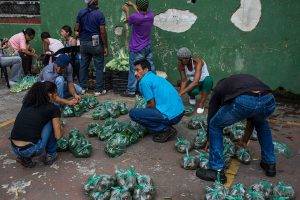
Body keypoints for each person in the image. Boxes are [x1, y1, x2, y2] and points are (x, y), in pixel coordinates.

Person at [196, 74, 276, 184]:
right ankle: (269, 164)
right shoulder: (240, 82)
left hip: (246, 100)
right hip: (268, 99)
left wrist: (209, 137)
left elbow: (212, 111)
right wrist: (244, 140)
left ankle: (216, 170)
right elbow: (252, 117)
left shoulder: (219, 88)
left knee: (215, 125)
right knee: (261, 124)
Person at [129, 59, 184, 143]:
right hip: (180, 112)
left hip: (171, 116)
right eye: (135, 70)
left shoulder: (144, 81)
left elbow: (151, 105)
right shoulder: (156, 77)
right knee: (147, 112)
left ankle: (165, 129)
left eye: (138, 70)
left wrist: (144, 112)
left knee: (133, 113)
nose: (135, 73)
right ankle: (165, 125)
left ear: (146, 69)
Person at [10, 81, 63, 167]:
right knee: (50, 123)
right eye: (55, 92)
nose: (56, 95)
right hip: (31, 149)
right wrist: (60, 128)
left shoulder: (27, 104)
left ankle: (24, 158)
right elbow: (58, 136)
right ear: (50, 94)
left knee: (28, 123)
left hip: (14, 148)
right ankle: (51, 154)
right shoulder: (53, 109)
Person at [121, 0, 155, 97]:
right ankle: (153, 87)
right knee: (150, 67)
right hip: (147, 46)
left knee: (134, 69)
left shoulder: (135, 17)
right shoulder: (150, 15)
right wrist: (133, 5)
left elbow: (128, 20)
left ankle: (131, 90)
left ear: (138, 7)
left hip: (137, 48)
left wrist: (127, 10)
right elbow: (140, 14)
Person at [75, 0, 109, 96]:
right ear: (94, 1)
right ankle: (98, 89)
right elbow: (102, 31)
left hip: (84, 43)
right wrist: (105, 46)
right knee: (98, 67)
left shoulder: (81, 12)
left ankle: (82, 88)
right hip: (96, 44)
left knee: (84, 65)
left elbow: (76, 28)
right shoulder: (99, 14)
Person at [177, 47, 213, 114]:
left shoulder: (198, 62)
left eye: (184, 59)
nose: (182, 61)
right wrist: (180, 94)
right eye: (180, 59)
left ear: (189, 57)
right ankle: (192, 95)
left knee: (208, 81)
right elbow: (184, 80)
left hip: (203, 81)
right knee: (193, 91)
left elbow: (196, 82)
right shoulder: (181, 65)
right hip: (192, 83)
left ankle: (201, 104)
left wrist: (180, 93)